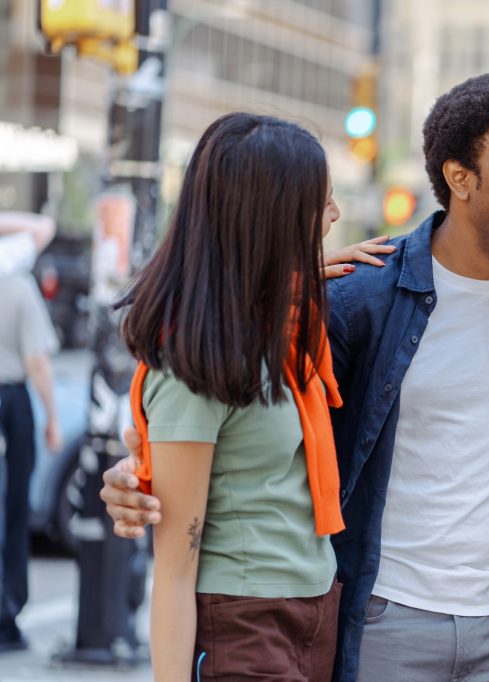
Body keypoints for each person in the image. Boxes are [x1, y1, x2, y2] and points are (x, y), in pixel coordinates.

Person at [101, 73, 489, 682]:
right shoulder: (356, 299)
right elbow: (227, 459)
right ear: (460, 178)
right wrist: (139, 474)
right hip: (369, 621)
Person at [116, 112, 391, 681]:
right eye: (323, 202)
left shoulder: (284, 327)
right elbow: (173, 565)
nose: (336, 216)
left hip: (315, 607)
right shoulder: (195, 363)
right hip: (243, 620)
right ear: (273, 216)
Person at [0, 213, 62, 653]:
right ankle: (6, 614)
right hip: (10, 403)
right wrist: (53, 418)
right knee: (14, 510)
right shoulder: (18, 286)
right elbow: (37, 361)